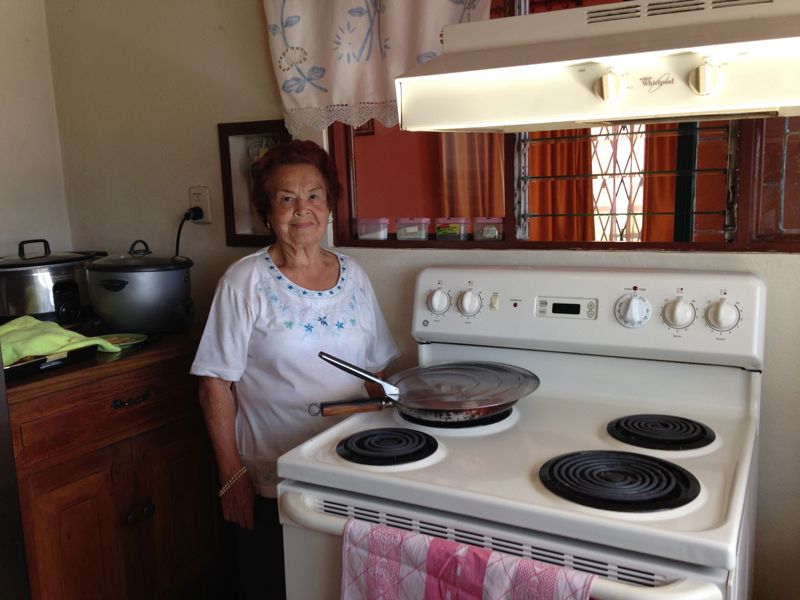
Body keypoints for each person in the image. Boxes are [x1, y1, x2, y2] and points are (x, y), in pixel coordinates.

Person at [190, 139, 398, 599]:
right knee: (272, 585)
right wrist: (232, 477)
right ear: (268, 211)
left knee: (333, 585)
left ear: (329, 206)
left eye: (314, 196)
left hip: (348, 465)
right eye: (286, 198)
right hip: (271, 476)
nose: (302, 209)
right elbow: (214, 384)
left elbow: (375, 375)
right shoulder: (245, 280)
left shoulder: (355, 274)